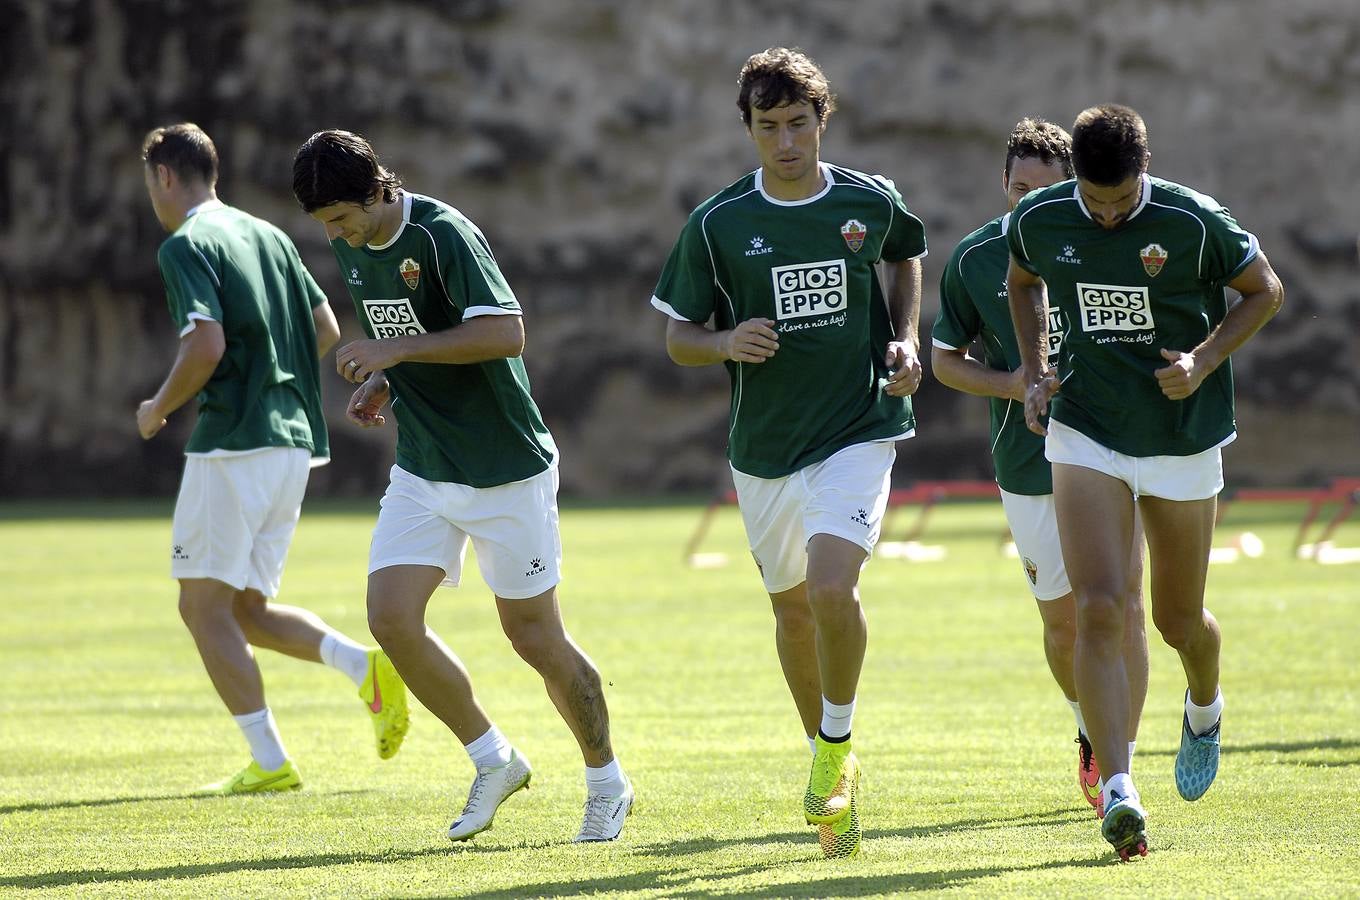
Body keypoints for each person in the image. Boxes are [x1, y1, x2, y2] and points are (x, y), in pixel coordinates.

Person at [291, 130, 632, 844]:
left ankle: (607, 781)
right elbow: (415, 332)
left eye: (341, 218)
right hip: (424, 463)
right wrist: (389, 379)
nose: (335, 235)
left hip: (506, 465)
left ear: (379, 189)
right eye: (324, 224)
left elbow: (506, 331)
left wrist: (395, 351)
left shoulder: (445, 235)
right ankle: (493, 758)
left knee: (534, 637)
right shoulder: (354, 243)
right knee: (390, 617)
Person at [650, 47, 927, 859]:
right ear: (749, 130)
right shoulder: (718, 222)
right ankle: (827, 765)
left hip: (858, 429)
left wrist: (906, 340)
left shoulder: (868, 200)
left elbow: (904, 253)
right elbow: (677, 337)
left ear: (821, 122)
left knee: (833, 588)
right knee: (792, 611)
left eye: (798, 124)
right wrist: (726, 342)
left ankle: (836, 749)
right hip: (764, 448)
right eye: (767, 127)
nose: (785, 141)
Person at [1006, 105, 1284, 859]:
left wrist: (1202, 359)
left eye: (1120, 203)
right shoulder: (1040, 218)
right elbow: (1022, 283)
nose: (1104, 217)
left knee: (1177, 621)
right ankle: (1120, 788)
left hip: (1179, 438)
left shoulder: (1194, 220)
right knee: (1099, 608)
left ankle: (1204, 705)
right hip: (1086, 429)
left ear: (1144, 171)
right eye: (1093, 204)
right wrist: (1035, 374)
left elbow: (1265, 291)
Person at [137, 123, 409, 795]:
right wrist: (274, 375)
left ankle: (268, 762)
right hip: (293, 444)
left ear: (165, 177)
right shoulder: (269, 235)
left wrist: (158, 406)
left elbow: (203, 346)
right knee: (248, 610)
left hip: (234, 442)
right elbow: (325, 329)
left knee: (202, 609)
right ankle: (364, 669)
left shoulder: (187, 245)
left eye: (151, 185)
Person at [931, 118, 1150, 819]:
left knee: (1119, 610)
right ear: (1002, 185)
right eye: (1018, 188)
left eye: (1045, 191)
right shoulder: (972, 260)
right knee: (1063, 625)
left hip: (1116, 449)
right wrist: (1018, 381)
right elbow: (944, 361)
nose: (1029, 203)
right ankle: (1089, 725)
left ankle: (1121, 771)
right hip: (1028, 462)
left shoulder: (1103, 241)